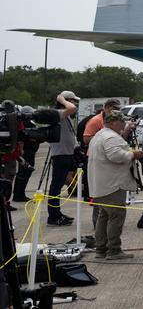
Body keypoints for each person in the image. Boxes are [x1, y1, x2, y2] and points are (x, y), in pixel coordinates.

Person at [88, 109, 143, 260]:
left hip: (101, 183)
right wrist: (133, 154)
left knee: (103, 216)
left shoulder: (100, 135)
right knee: (116, 215)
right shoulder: (110, 137)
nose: (124, 124)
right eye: (121, 121)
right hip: (112, 184)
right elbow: (116, 156)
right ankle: (114, 249)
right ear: (112, 122)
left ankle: (101, 248)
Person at [45, 90, 80, 227]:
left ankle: (57, 213)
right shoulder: (58, 114)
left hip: (66, 153)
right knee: (56, 187)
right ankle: (53, 217)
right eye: (72, 100)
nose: (75, 103)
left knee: (58, 186)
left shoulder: (65, 116)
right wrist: (62, 100)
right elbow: (72, 108)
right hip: (60, 155)